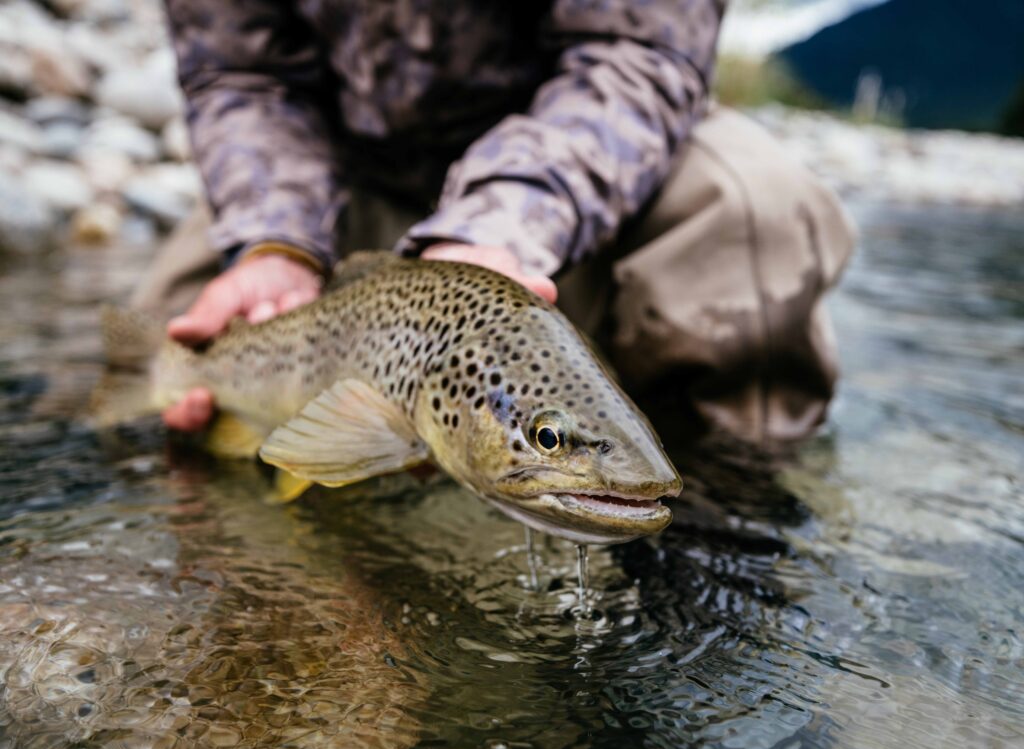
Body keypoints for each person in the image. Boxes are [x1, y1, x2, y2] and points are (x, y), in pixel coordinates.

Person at [139, 0, 855, 444]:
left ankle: (722, 530)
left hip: (577, 182)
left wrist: (496, 225)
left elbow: (635, 58)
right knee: (158, 358)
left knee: (762, 213)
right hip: (336, 178)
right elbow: (241, 76)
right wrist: (272, 241)